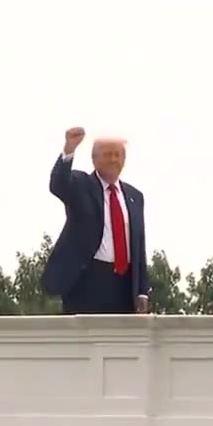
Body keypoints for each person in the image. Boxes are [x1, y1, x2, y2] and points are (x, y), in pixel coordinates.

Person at [41, 127, 149, 314]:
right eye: (107, 154)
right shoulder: (81, 185)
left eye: (117, 155)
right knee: (86, 340)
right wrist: (69, 149)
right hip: (88, 280)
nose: (113, 159)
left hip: (124, 285)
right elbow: (58, 184)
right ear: (94, 159)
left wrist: (142, 291)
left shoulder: (134, 196)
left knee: (121, 341)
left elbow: (139, 245)